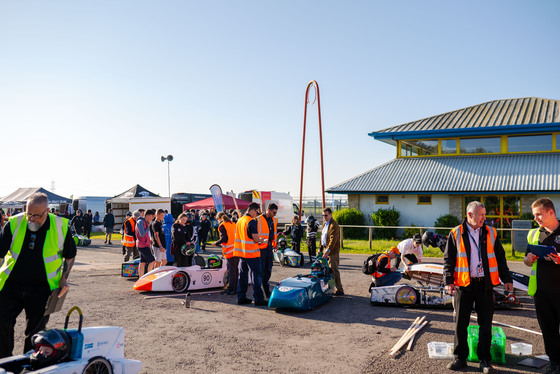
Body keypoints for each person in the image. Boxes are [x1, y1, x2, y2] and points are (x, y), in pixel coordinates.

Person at [0, 192, 76, 358]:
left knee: (35, 332)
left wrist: (64, 278)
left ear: (47, 211)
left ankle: (29, 363)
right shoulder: (14, 223)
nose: (32, 219)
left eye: (36, 215)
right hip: (11, 285)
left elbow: (70, 255)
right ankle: (4, 362)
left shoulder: (61, 226)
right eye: (29, 214)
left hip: (42, 288)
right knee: (2, 323)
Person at [444, 201, 513, 374]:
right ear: (469, 215)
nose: (484, 218)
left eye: (484, 214)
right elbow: (448, 260)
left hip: (485, 284)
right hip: (463, 284)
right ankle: (460, 357)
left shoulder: (491, 232)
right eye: (481, 215)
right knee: (461, 323)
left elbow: (500, 257)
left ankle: (485, 360)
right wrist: (448, 281)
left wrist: (507, 278)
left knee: (485, 323)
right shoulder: (456, 233)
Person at [524, 198, 560, 374]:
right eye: (534, 215)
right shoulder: (534, 234)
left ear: (551, 212)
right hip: (542, 292)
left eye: (539, 214)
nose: (536, 218)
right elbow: (526, 260)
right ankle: (554, 363)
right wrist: (528, 260)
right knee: (548, 330)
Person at [233, 202, 267, 306]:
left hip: (242, 253)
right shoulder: (251, 222)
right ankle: (258, 299)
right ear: (252, 210)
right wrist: (263, 240)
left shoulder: (240, 220)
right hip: (252, 254)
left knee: (242, 276)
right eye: (257, 212)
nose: (257, 215)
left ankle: (241, 297)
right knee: (256, 276)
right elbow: (255, 238)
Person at [249, 203, 278, 298]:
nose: (275, 214)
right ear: (268, 210)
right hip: (260, 249)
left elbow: (274, 233)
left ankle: (266, 288)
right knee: (260, 271)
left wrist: (275, 244)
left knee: (268, 269)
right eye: (273, 212)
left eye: (275, 213)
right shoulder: (258, 219)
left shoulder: (273, 220)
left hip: (269, 248)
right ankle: (262, 290)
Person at [320, 207, 344, 296]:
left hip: (332, 251)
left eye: (326, 215)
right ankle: (329, 288)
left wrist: (328, 251)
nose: (324, 217)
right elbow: (322, 237)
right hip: (325, 249)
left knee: (334, 270)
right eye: (323, 215)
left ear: (330, 215)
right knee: (326, 270)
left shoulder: (334, 225)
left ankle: (340, 289)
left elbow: (332, 240)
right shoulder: (324, 223)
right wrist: (320, 249)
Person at [213, 212, 238, 295]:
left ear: (219, 218)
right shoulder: (232, 224)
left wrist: (216, 243)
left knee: (231, 271)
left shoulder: (223, 226)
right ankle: (235, 288)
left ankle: (231, 289)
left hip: (229, 251)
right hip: (236, 249)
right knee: (235, 271)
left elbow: (224, 238)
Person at [136, 209, 156, 277]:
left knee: (142, 262)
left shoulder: (143, 221)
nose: (152, 218)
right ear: (148, 216)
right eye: (152, 216)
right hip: (143, 245)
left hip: (144, 244)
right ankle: (148, 277)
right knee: (152, 261)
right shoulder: (141, 222)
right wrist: (148, 226)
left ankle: (141, 277)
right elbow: (142, 234)